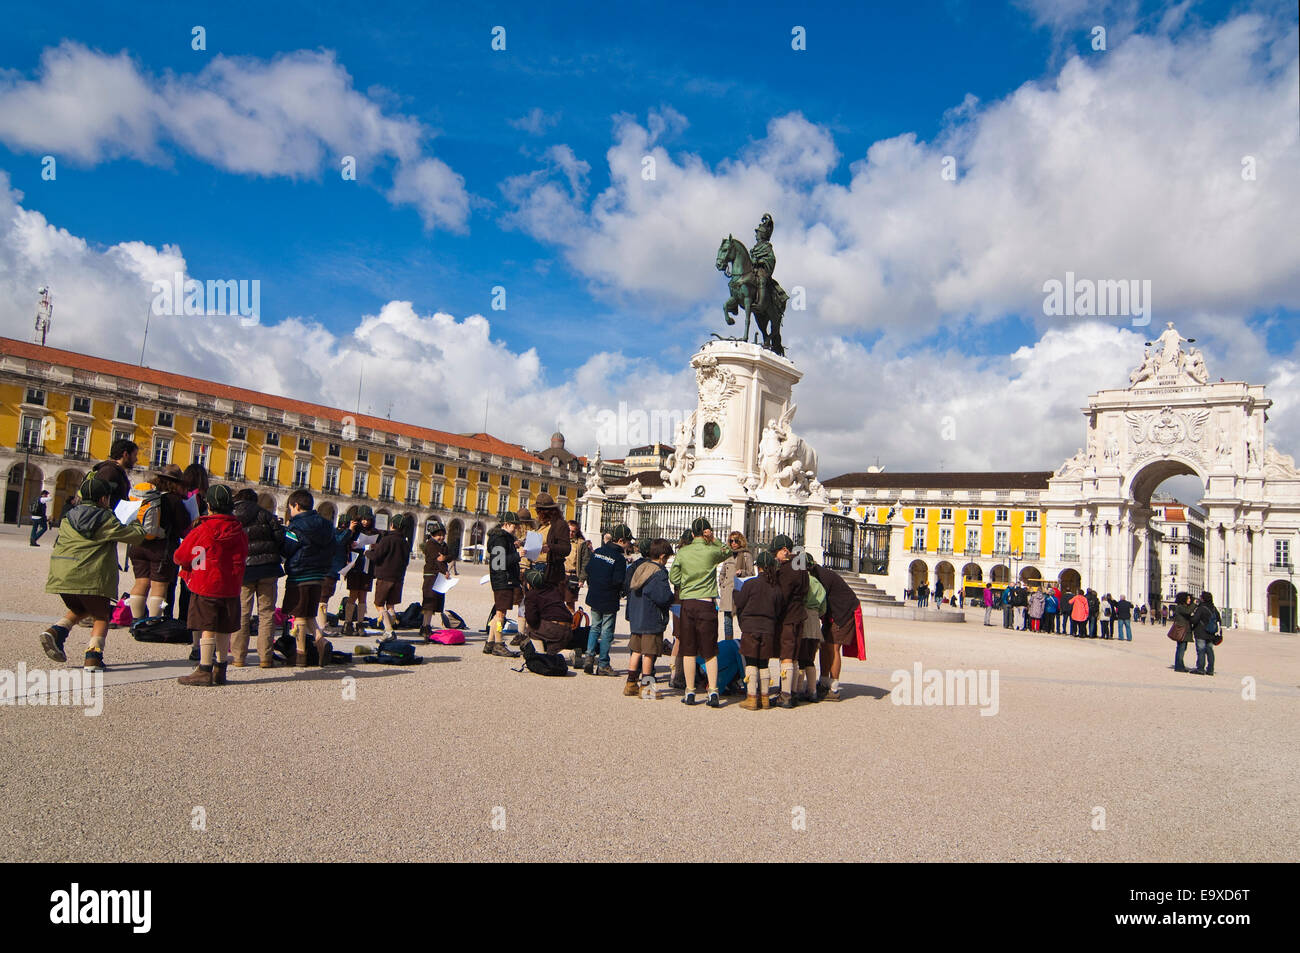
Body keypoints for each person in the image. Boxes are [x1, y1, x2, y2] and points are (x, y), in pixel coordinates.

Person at [39, 475, 147, 671]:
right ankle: (93, 657)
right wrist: (135, 520)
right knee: (101, 615)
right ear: (104, 499)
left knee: (82, 608)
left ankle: (56, 631)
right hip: (90, 576)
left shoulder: (67, 518)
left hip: (62, 575)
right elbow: (137, 537)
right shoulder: (105, 519)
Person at [175, 485, 249, 687]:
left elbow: (181, 556)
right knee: (224, 627)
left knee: (207, 627)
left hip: (205, 585)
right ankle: (221, 667)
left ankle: (204, 668)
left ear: (209, 505)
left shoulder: (201, 530)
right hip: (231, 587)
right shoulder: (239, 532)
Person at [668, 517, 731, 707]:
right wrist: (714, 539)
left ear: (692, 532)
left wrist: (687, 583)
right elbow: (727, 551)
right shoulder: (711, 551)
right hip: (706, 603)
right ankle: (713, 691)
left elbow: (674, 576)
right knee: (709, 650)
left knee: (688, 649)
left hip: (688, 603)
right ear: (706, 532)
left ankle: (690, 692)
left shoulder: (684, 552)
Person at [125, 463, 191, 624]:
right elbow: (183, 524)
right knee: (159, 586)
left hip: (138, 544)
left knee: (141, 582)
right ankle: (153, 622)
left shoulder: (145, 495)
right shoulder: (173, 499)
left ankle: (136, 620)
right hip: (162, 548)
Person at [280, 489, 335, 667]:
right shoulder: (326, 525)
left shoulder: (295, 526)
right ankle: (321, 640)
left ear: (296, 505)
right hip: (319, 574)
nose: (291, 512)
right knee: (309, 612)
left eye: (291, 508)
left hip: (300, 573)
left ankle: (300, 653)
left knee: (299, 614)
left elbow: (288, 548)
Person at [232, 488, 285, 669]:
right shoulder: (266, 514)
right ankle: (265, 657)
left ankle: (239, 657)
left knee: (242, 613)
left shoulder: (232, 516)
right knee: (267, 614)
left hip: (244, 569)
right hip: (268, 568)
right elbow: (280, 537)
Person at [734, 550, 784, 711]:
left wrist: (735, 593)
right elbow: (778, 609)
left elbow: (740, 603)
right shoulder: (776, 588)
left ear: (758, 567)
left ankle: (751, 698)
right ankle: (765, 697)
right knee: (763, 663)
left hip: (750, 627)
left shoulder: (750, 584)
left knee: (751, 663)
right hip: (768, 628)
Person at [623, 538, 673, 697]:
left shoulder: (640, 567)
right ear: (662, 556)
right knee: (649, 654)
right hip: (651, 618)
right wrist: (671, 599)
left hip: (637, 617)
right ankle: (647, 687)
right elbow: (662, 597)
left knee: (636, 651)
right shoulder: (658, 573)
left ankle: (630, 683)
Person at [583, 523, 630, 676]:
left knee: (595, 627)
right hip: (609, 597)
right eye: (628, 541)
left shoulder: (598, 551)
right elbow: (618, 580)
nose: (629, 545)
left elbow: (589, 569)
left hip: (595, 594)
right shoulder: (619, 558)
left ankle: (589, 657)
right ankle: (603, 663)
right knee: (607, 630)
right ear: (621, 540)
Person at [810, 561, 862, 702]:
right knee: (824, 646)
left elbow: (819, 599)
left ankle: (833, 687)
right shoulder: (819, 574)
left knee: (833, 647)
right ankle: (824, 681)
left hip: (843, 612)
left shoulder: (822, 578)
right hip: (833, 613)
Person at [770, 534, 809, 709]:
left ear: (785, 550)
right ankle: (791, 692)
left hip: (788, 616)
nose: (775, 557)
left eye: (776, 553)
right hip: (800, 614)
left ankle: (784, 694)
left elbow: (782, 595)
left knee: (786, 655)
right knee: (793, 656)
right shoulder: (801, 566)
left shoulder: (787, 569)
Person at [485, 513, 522, 657]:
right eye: (514, 526)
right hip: (503, 580)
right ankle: (499, 643)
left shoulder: (503, 538)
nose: (516, 529)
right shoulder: (500, 539)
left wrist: (513, 547)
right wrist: (518, 555)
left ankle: (490, 643)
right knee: (501, 614)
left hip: (502, 579)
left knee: (498, 614)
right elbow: (498, 562)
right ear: (506, 524)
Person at [369, 514, 413, 636]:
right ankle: (393, 621)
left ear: (392, 525)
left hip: (384, 577)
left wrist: (368, 552)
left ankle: (388, 629)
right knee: (390, 605)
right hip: (398, 578)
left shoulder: (387, 539)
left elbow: (377, 557)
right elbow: (406, 562)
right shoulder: (405, 543)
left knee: (379, 604)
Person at [717, 530, 755, 640]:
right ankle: (729, 644)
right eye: (731, 540)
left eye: (736, 541)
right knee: (727, 622)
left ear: (741, 541)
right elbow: (722, 573)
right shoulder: (727, 555)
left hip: (740, 592)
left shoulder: (747, 555)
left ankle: (745, 643)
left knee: (742, 621)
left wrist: (742, 572)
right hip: (728, 593)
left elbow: (752, 573)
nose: (733, 543)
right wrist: (722, 583)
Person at [420, 522, 451, 636]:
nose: (441, 537)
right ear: (433, 535)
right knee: (429, 603)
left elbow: (450, 556)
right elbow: (437, 560)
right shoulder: (431, 545)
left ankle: (425, 625)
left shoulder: (443, 545)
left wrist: (445, 557)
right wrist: (445, 571)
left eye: (443, 534)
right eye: (438, 535)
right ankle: (425, 626)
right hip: (430, 576)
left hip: (439, 577)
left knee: (433, 604)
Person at [91, 438, 138, 506]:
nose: (136, 459)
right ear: (125, 454)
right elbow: (99, 499)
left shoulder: (115, 471)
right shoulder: (109, 471)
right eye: (135, 455)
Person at [563, 520, 591, 613]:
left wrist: (582, 579)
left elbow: (585, 562)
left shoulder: (581, 544)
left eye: (573, 531)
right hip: (560, 574)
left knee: (570, 603)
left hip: (573, 575)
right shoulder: (561, 541)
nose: (570, 533)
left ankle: (571, 625)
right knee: (557, 602)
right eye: (568, 531)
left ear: (577, 532)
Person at [1190, 591, 1220, 676]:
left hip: (1201, 632)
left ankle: (1200, 669)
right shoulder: (1213, 608)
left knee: (1201, 651)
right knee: (1210, 651)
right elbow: (1218, 618)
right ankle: (1210, 669)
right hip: (1211, 633)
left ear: (1203, 599)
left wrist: (1190, 619)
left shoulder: (1201, 608)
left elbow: (1195, 619)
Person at [1171, 591, 1195, 672]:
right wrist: (1194, 604)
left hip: (1184, 631)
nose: (1189, 600)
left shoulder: (1183, 607)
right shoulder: (1180, 607)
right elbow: (1188, 611)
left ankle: (1180, 665)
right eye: (1187, 598)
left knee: (1182, 648)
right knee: (1181, 649)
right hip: (1182, 631)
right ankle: (1179, 666)